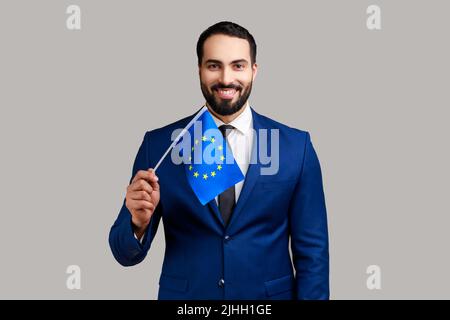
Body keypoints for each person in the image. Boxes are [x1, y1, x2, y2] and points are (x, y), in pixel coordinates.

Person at [109, 21, 329, 300]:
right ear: (199, 70)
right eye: (214, 65)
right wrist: (137, 224)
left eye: (238, 65)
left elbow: (313, 254)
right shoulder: (160, 146)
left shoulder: (296, 147)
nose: (226, 78)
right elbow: (123, 253)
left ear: (254, 70)